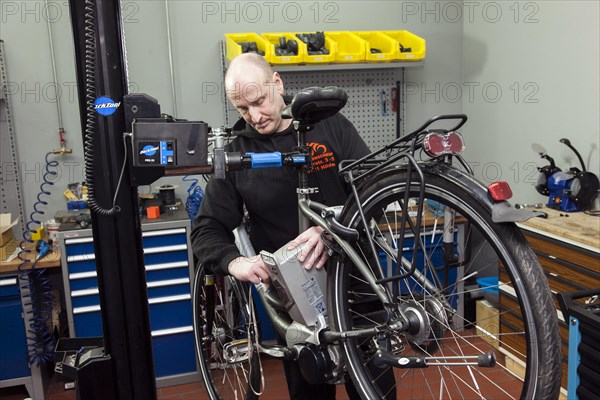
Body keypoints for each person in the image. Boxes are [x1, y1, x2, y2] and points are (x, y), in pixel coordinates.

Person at [191, 52, 371, 399]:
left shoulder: (330, 125)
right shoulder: (238, 153)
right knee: (310, 392)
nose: (255, 116)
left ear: (277, 83)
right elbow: (206, 228)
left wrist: (332, 228)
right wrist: (235, 261)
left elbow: (370, 188)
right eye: (243, 109)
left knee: (374, 389)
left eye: (259, 101)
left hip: (357, 283)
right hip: (297, 302)